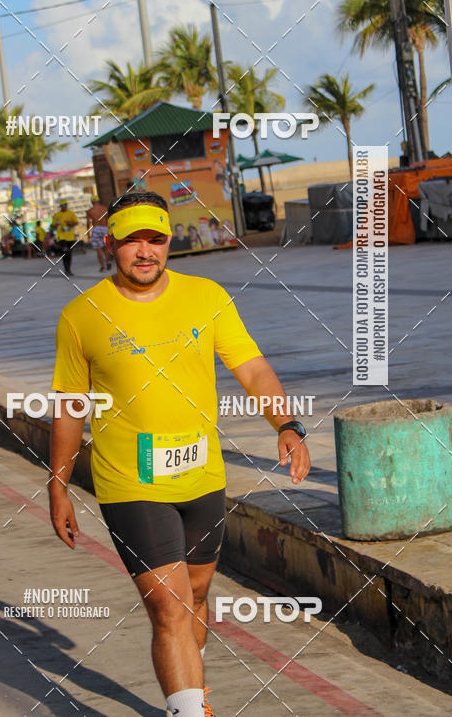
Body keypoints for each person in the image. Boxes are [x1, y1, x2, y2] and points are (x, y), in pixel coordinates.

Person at [49, 191, 311, 717]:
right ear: (110, 242)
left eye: (156, 239)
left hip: (203, 479)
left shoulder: (207, 297)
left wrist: (286, 424)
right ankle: (188, 711)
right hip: (130, 483)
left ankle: (194, 692)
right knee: (168, 609)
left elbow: (252, 367)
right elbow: (70, 407)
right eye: (132, 240)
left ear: (170, 240)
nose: (145, 251)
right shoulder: (82, 315)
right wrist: (57, 485)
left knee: (194, 597)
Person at [50, 199, 78, 277]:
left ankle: (68, 269)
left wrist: (70, 223)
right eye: (63, 205)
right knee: (65, 251)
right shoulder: (56, 215)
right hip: (61, 237)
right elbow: (52, 226)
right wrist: (56, 225)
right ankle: (66, 269)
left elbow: (76, 222)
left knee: (69, 253)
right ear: (60, 206)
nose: (64, 207)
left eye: (66, 205)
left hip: (70, 237)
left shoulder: (71, 213)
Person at [86, 197, 112, 272]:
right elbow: (108, 220)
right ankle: (108, 261)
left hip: (96, 229)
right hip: (105, 228)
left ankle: (102, 267)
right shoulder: (104, 208)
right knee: (105, 247)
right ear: (98, 200)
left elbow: (88, 223)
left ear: (91, 202)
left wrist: (88, 234)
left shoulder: (90, 211)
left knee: (99, 249)